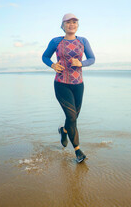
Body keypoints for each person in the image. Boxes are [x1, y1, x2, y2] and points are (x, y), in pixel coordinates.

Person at [42, 13, 95, 163]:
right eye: (68, 22)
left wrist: (81, 63)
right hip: (61, 84)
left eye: (74, 22)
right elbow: (45, 57)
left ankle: (64, 131)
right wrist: (52, 65)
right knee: (72, 117)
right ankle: (78, 151)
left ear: (77, 25)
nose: (71, 24)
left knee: (73, 118)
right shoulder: (56, 41)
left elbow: (92, 59)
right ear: (63, 25)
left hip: (78, 84)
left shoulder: (83, 41)